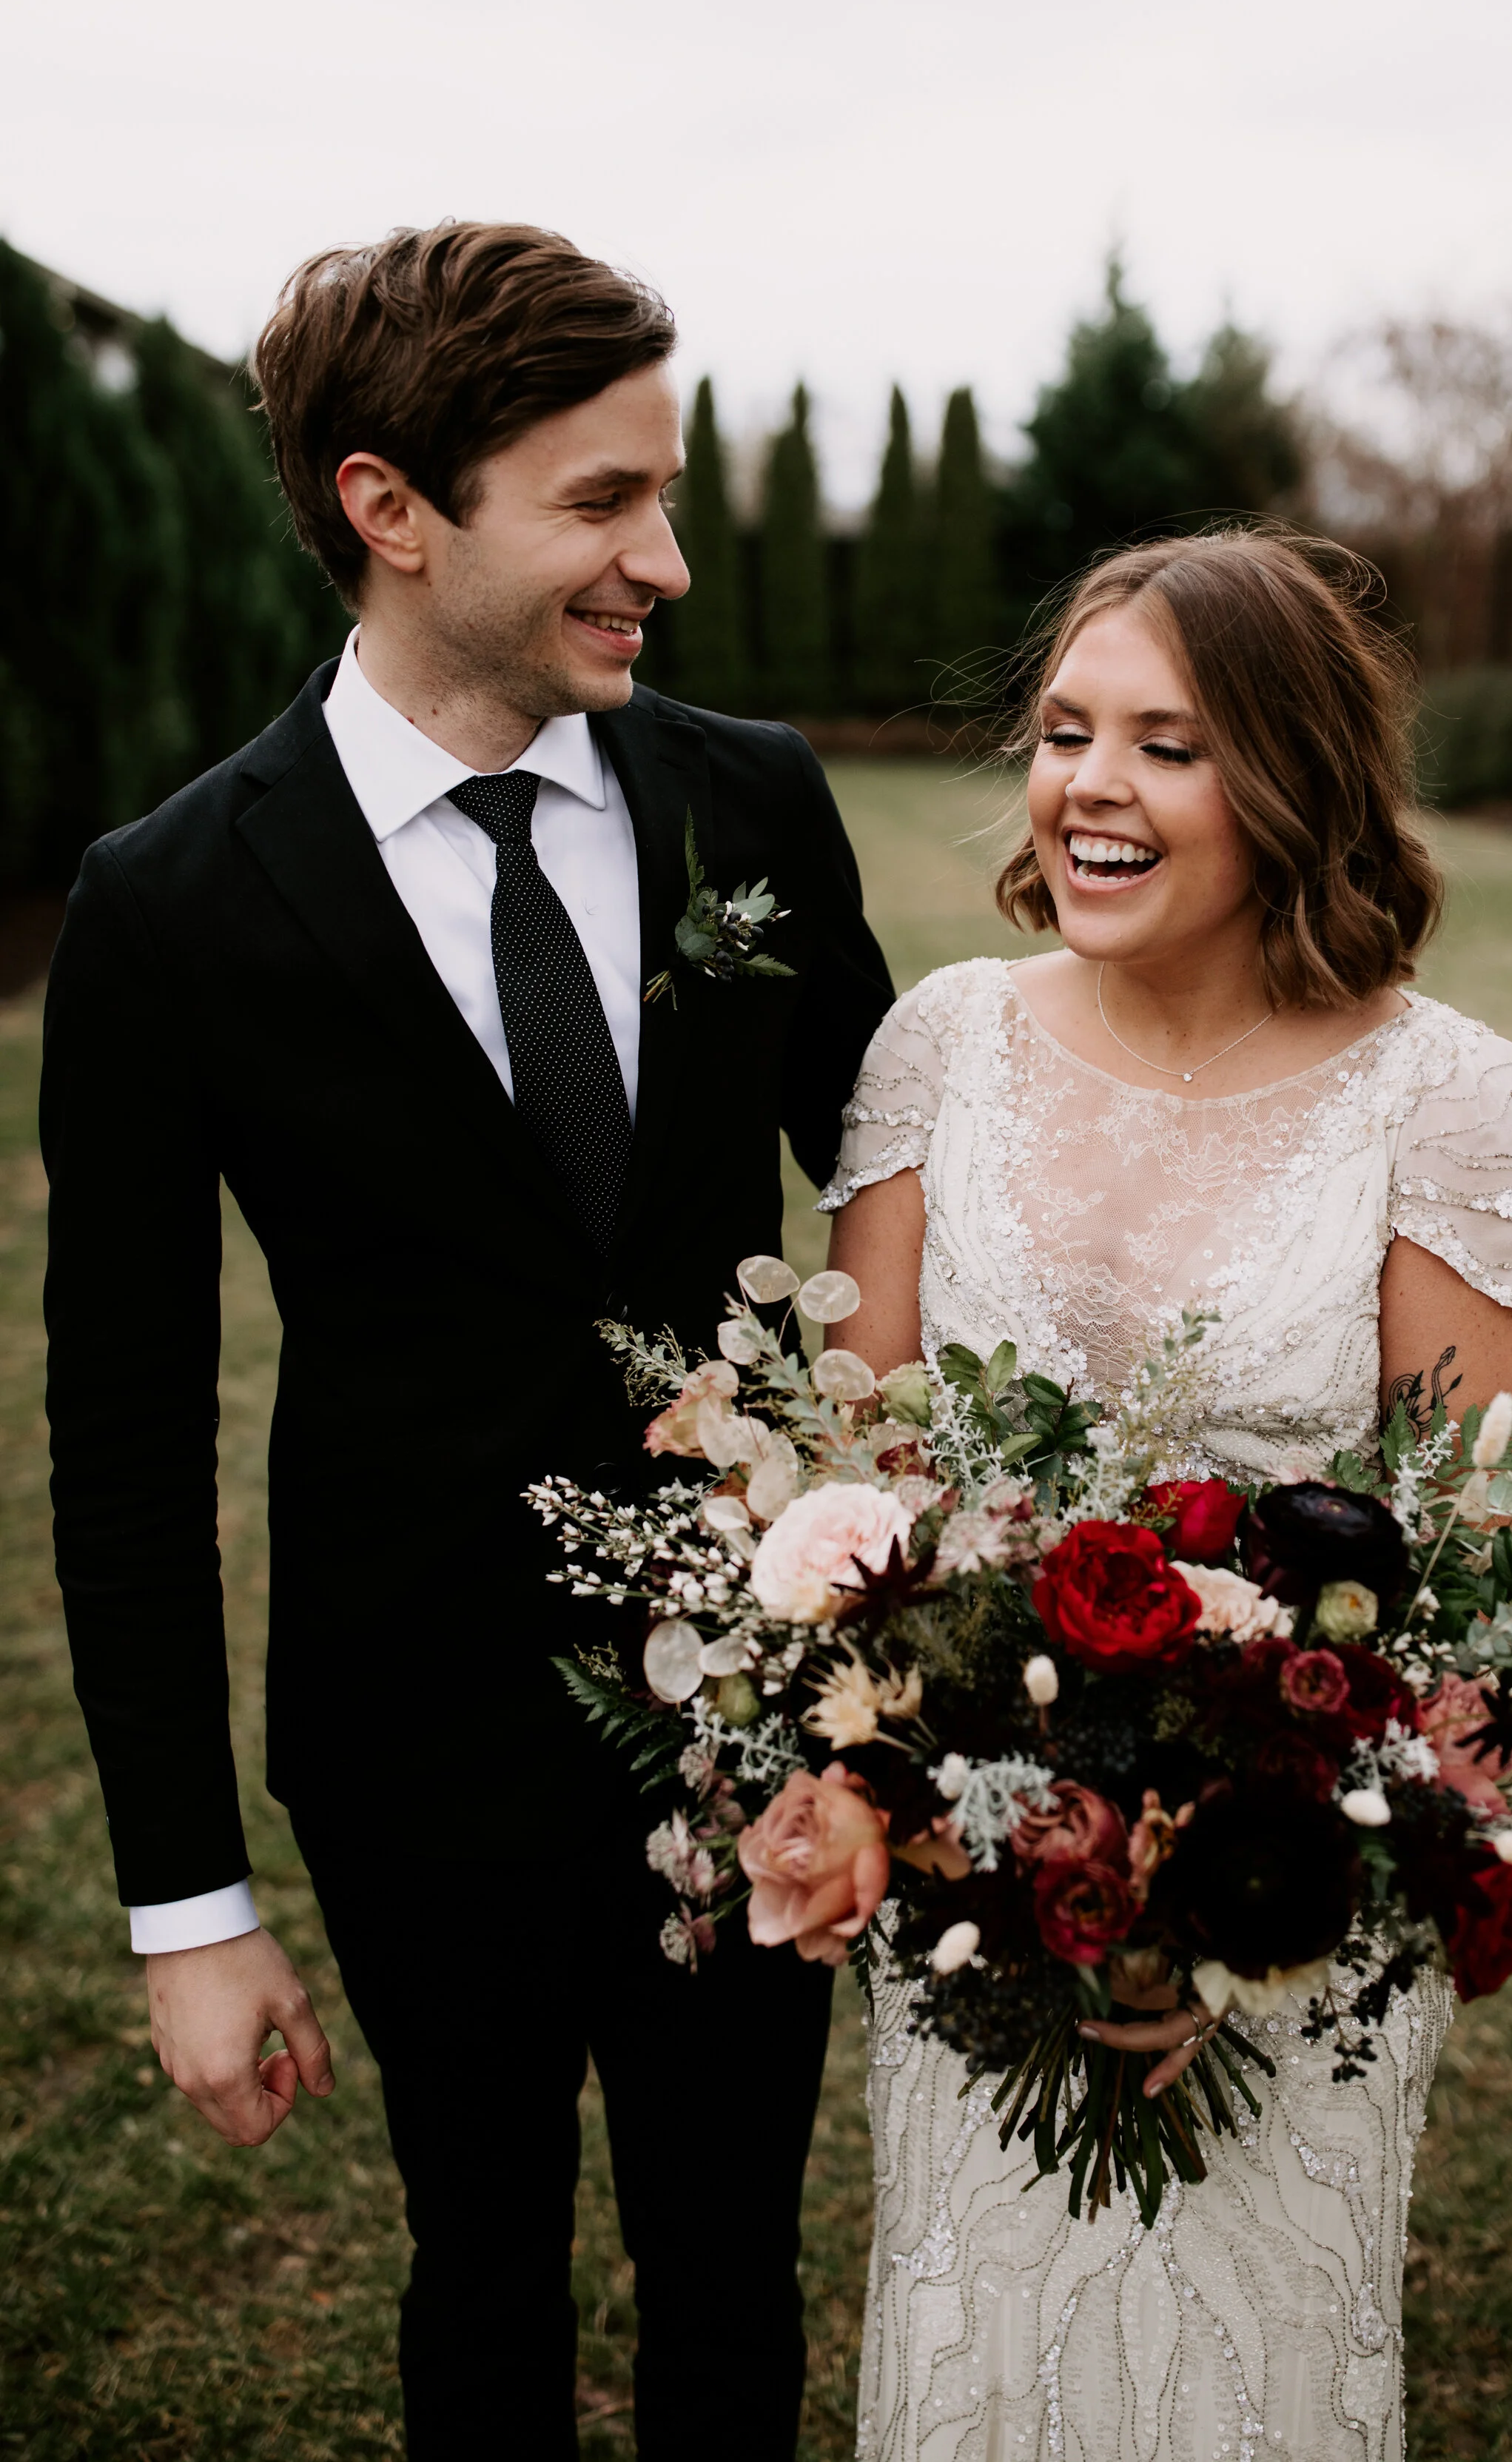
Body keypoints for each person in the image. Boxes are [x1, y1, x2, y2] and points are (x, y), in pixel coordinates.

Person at [40, 220, 895, 2460]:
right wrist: (187, 1908)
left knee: (737, 2278)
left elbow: (912, 1220)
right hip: (413, 1741)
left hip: (764, 1713)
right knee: (480, 2284)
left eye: (667, 492)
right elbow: (124, 1445)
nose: (670, 562)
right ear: (389, 507)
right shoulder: (173, 906)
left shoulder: (752, 805)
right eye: (604, 504)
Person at [820, 530, 1512, 2462]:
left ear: (1293, 782)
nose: (1089, 783)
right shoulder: (941, 1049)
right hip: (978, 1900)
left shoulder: (1443, 1101)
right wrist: (975, 1833)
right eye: (1068, 731)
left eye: (1168, 744)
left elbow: (1464, 1588)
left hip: (1294, 1906)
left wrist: (1242, 1920)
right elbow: (877, 1491)